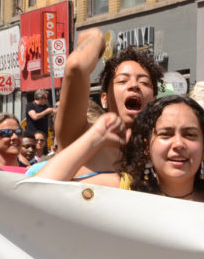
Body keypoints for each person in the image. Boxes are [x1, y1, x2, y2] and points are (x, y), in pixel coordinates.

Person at [38, 95, 204, 218]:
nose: (178, 144)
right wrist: (96, 136)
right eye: (165, 134)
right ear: (146, 146)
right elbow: (36, 189)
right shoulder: (122, 189)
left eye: (190, 135)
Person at [54, 28, 162, 184]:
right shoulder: (81, 137)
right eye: (122, 81)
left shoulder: (164, 148)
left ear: (153, 100)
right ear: (104, 98)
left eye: (144, 82)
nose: (134, 85)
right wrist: (96, 38)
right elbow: (76, 67)